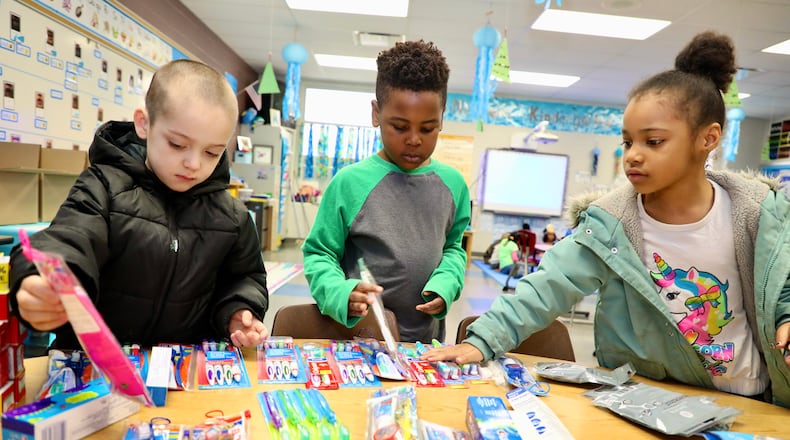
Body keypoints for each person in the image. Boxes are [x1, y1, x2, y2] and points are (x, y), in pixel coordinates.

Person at [423, 31, 790, 407]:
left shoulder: (757, 213)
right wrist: (482, 340)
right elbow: (545, 288)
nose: (633, 155)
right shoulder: (610, 224)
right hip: (650, 400)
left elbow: (781, 286)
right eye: (627, 142)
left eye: (653, 142)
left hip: (747, 398)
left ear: (707, 139)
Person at [8, 59, 269, 349]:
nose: (194, 164)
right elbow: (68, 240)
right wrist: (41, 281)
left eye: (212, 152)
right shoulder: (103, 187)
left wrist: (238, 311)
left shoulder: (232, 216)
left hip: (182, 367)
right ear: (144, 123)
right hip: (94, 361)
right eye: (177, 144)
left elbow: (244, 278)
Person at [301, 40, 471, 343]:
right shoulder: (349, 183)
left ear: (442, 117)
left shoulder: (453, 185)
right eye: (400, 126)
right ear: (376, 114)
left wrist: (447, 282)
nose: (414, 139)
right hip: (360, 342)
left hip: (423, 346)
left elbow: (453, 248)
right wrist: (340, 292)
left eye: (428, 128)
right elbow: (319, 253)